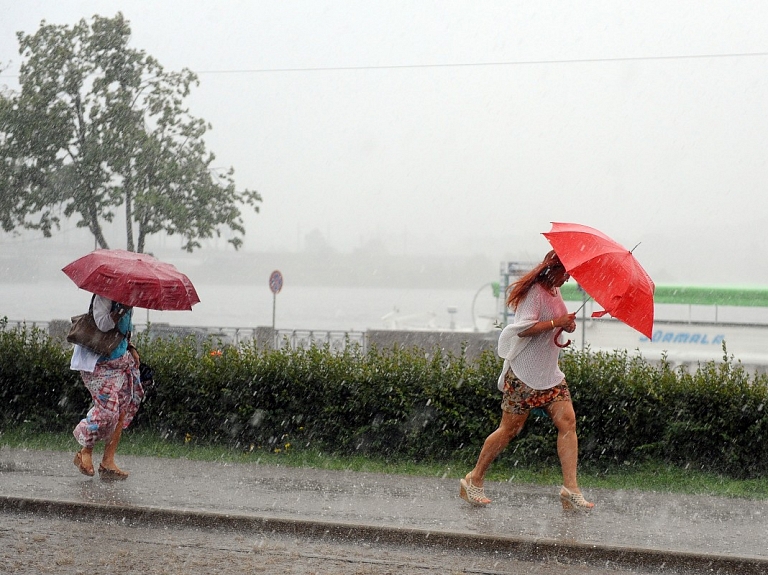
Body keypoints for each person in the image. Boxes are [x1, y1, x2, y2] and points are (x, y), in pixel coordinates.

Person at [459, 250, 594, 511]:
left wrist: (565, 325)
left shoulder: (555, 290)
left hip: (550, 375)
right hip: (524, 374)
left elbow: (554, 322)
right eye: (565, 273)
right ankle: (474, 479)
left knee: (568, 423)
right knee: (509, 430)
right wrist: (556, 321)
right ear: (553, 268)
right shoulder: (534, 293)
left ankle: (570, 489)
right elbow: (523, 328)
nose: (567, 279)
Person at [71, 294, 144, 481]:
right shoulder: (104, 296)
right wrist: (121, 310)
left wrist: (131, 348)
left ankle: (108, 461)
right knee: (107, 413)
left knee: (121, 409)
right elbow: (103, 324)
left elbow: (122, 332)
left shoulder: (126, 299)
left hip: (119, 362)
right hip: (98, 364)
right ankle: (84, 451)